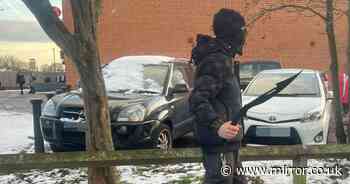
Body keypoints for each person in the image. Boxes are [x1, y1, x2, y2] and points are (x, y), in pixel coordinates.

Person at [189, 8, 247, 184]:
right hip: (218, 146)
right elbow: (197, 100)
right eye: (242, 29)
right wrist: (218, 125)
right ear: (233, 32)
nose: (245, 35)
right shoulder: (217, 61)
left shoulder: (225, 58)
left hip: (230, 145)